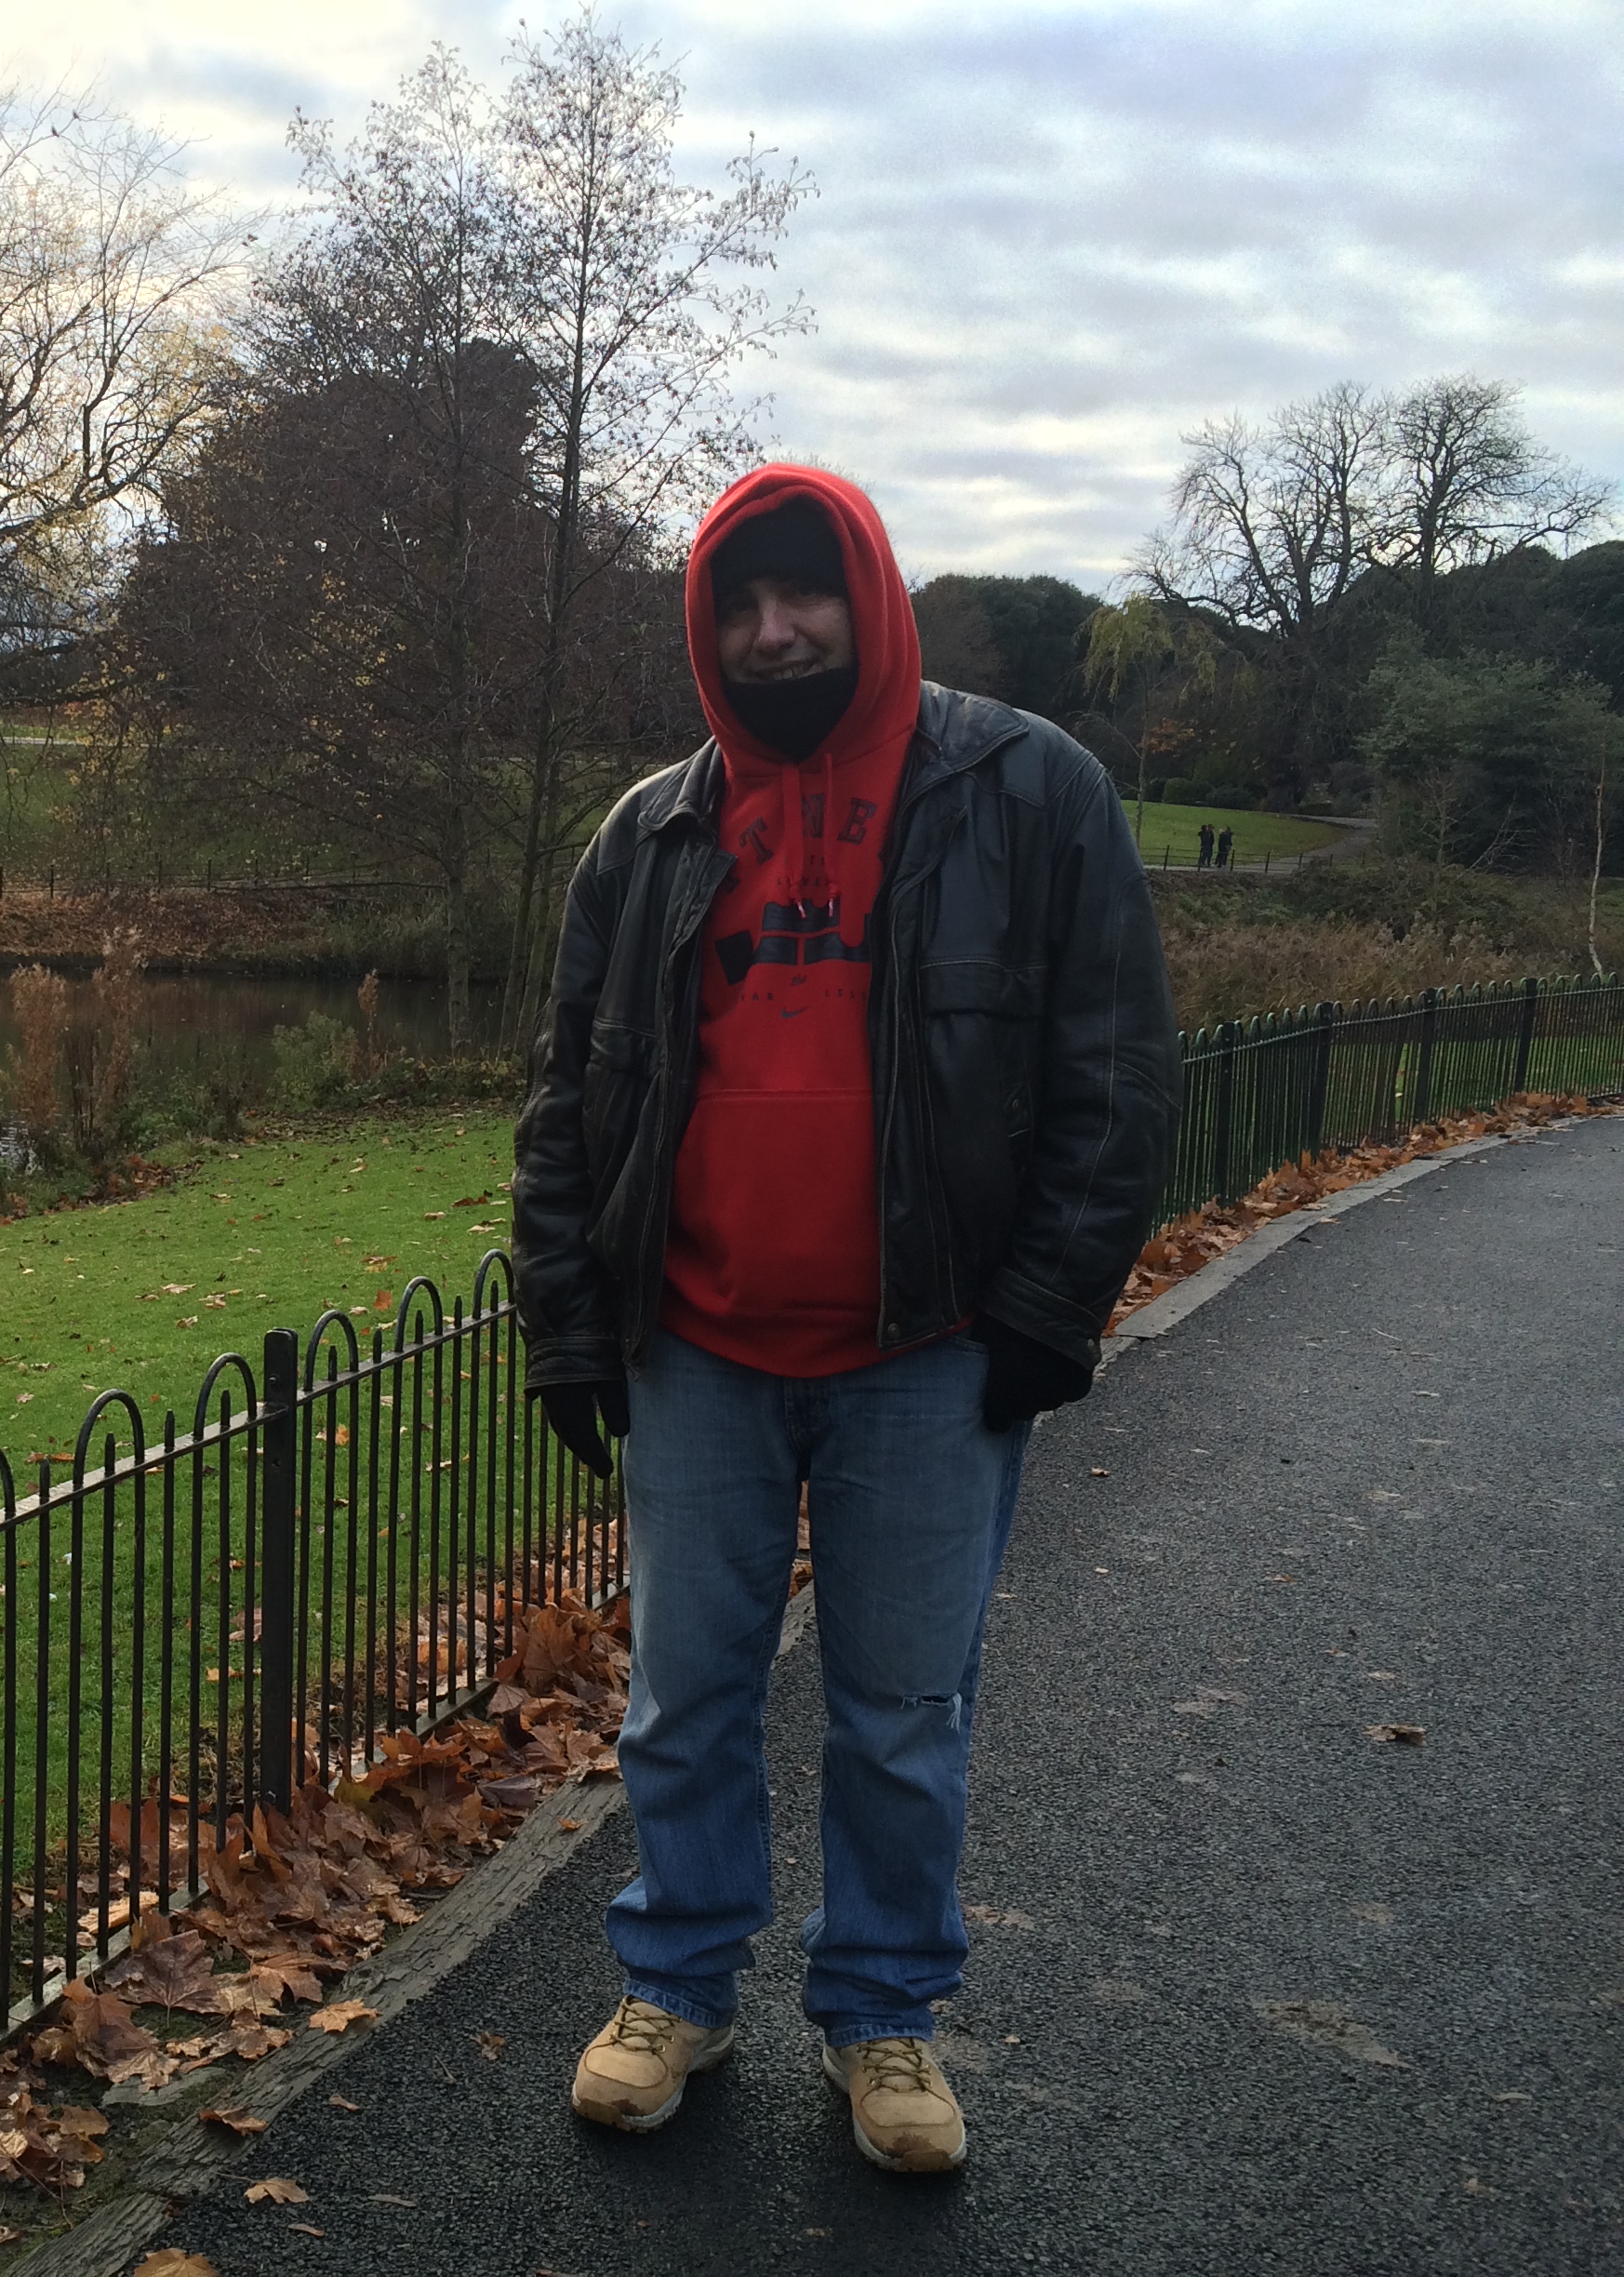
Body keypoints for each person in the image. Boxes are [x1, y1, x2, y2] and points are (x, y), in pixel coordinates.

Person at [510, 464, 1176, 2175]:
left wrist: (1046, 1311)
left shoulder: (1031, 789)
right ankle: (677, 1986)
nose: (773, 629)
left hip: (929, 1350)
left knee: (901, 1710)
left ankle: (883, 2012)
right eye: (739, 603)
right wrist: (569, 1320)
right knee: (682, 1701)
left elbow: (1113, 1075)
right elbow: (570, 1099)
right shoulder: (650, 830)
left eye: (803, 592)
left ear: (869, 594)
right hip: (698, 1342)